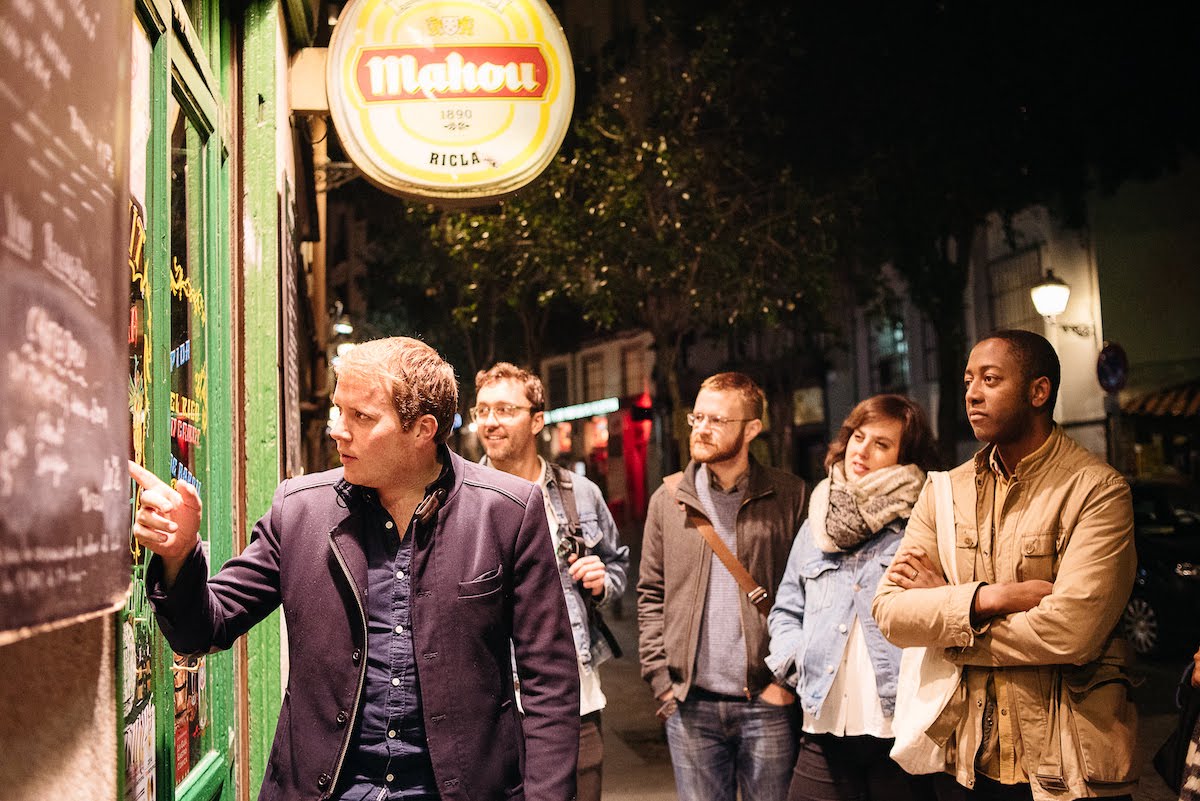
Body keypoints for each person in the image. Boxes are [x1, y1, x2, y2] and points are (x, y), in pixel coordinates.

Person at [129, 337, 579, 801]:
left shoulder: (507, 512)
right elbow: (204, 628)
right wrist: (179, 554)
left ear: (423, 430)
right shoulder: (299, 509)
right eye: (338, 410)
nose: (337, 431)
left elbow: (550, 683)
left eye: (361, 417)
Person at [872, 329, 1138, 801]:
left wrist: (949, 623)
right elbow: (891, 614)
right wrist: (985, 598)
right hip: (966, 761)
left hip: (1066, 765)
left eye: (991, 379)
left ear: (1039, 392)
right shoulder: (945, 492)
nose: (972, 393)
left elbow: (1072, 632)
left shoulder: (1096, 490)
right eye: (968, 380)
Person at [637, 371, 808, 801]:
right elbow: (650, 595)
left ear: (752, 429)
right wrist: (661, 680)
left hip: (766, 702)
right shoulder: (668, 500)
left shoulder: (789, 496)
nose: (701, 429)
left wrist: (783, 685)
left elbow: (810, 597)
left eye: (717, 420)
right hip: (690, 704)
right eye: (697, 418)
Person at [767, 394, 939, 801]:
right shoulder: (817, 521)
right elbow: (787, 608)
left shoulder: (922, 522)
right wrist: (798, 658)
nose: (861, 450)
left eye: (881, 444)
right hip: (823, 723)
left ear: (904, 457)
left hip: (897, 729)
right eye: (858, 437)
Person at [472, 362, 630, 801]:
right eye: (483, 410)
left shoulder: (581, 494)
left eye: (504, 409)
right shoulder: (460, 497)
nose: (490, 421)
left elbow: (617, 565)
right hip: (490, 708)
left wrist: (602, 580)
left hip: (573, 704)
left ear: (537, 420)